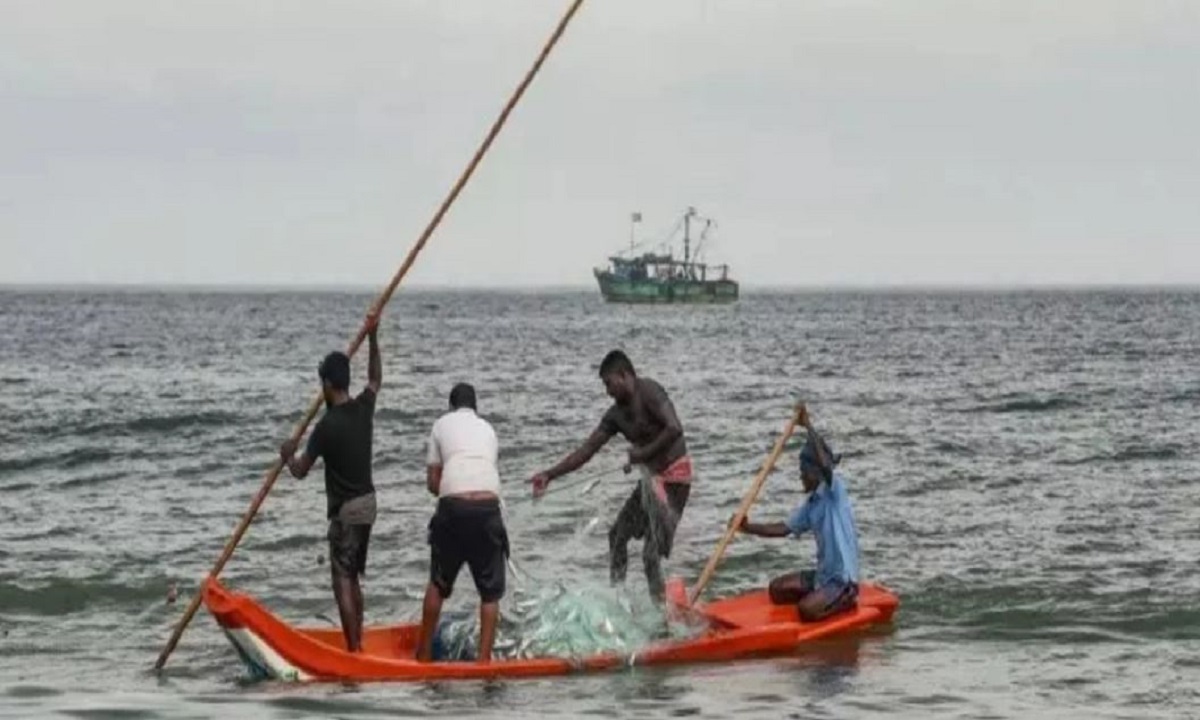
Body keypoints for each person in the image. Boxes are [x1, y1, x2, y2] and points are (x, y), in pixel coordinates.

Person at [530, 350, 693, 602]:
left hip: (674, 482)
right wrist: (549, 475)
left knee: (650, 555)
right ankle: (619, 601)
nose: (607, 391)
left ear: (624, 375)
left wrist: (640, 454)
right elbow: (586, 451)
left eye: (609, 383)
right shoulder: (615, 415)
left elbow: (674, 428)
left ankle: (662, 620)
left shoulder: (650, 391)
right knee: (616, 536)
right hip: (651, 482)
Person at [279, 312, 382, 653]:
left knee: (342, 580)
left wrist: (287, 455)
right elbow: (375, 379)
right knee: (354, 577)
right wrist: (373, 337)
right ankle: (359, 642)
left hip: (347, 511)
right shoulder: (364, 408)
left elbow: (300, 471)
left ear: (327, 384)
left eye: (321, 383)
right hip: (369, 505)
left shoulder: (326, 426)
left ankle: (354, 650)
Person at [732, 406, 860, 621]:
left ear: (815, 473)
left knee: (806, 610)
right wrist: (746, 527)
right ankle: (822, 595)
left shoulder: (834, 491)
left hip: (842, 581)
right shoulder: (811, 505)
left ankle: (844, 601)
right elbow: (783, 529)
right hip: (823, 577)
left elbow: (826, 465)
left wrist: (808, 426)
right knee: (776, 590)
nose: (800, 477)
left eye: (803, 472)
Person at [417, 383, 508, 663]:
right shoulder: (488, 430)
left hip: (453, 509)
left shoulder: (441, 424)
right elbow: (486, 471)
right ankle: (483, 662)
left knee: (438, 583)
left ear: (451, 406)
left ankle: (422, 656)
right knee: (490, 594)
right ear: (475, 408)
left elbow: (434, 481)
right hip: (488, 507)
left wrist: (445, 488)